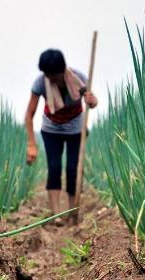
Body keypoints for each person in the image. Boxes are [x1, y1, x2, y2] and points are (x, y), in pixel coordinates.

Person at [25, 48, 98, 225]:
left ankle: (73, 213)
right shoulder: (41, 83)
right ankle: (56, 215)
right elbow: (29, 114)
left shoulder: (79, 78)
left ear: (62, 70)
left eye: (53, 75)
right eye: (46, 74)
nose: (50, 78)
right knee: (54, 167)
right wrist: (32, 144)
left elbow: (93, 101)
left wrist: (91, 100)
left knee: (73, 169)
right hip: (51, 130)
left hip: (75, 129)